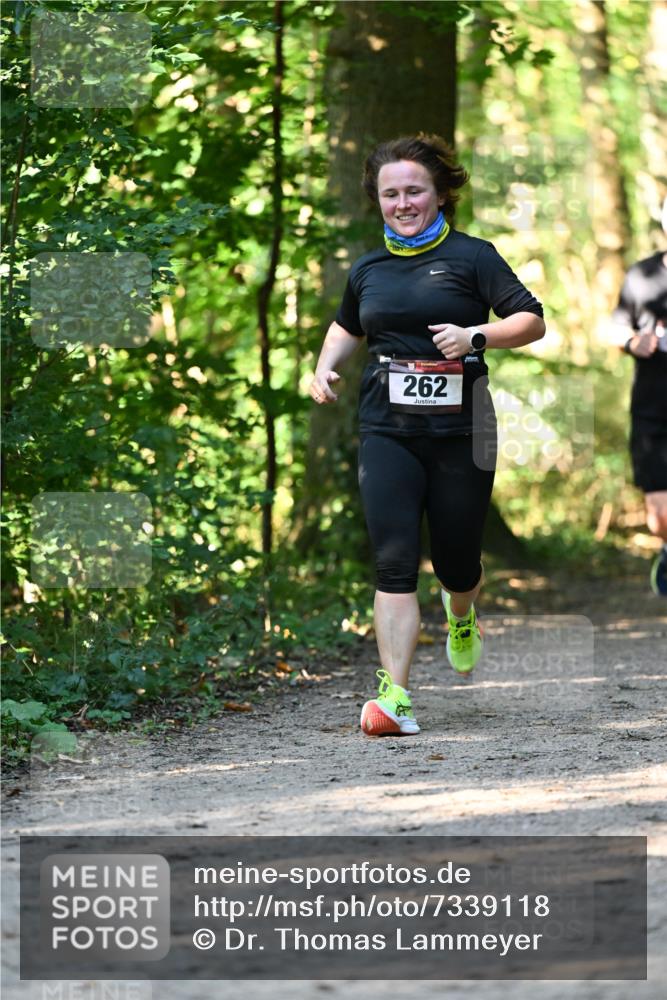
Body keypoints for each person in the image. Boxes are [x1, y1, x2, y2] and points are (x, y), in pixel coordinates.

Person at [309, 133, 545, 736]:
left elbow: (531, 319)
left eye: (414, 190)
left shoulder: (473, 256)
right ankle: (395, 697)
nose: (403, 202)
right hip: (386, 428)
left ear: (439, 194)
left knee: (457, 561)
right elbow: (346, 326)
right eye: (391, 194)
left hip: (464, 431)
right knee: (392, 562)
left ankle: (460, 610)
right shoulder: (368, 268)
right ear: (378, 200)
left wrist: (478, 337)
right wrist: (323, 364)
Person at [610, 197, 667, 596]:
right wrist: (633, 342)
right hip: (653, 411)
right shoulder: (641, 276)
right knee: (659, 515)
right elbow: (615, 330)